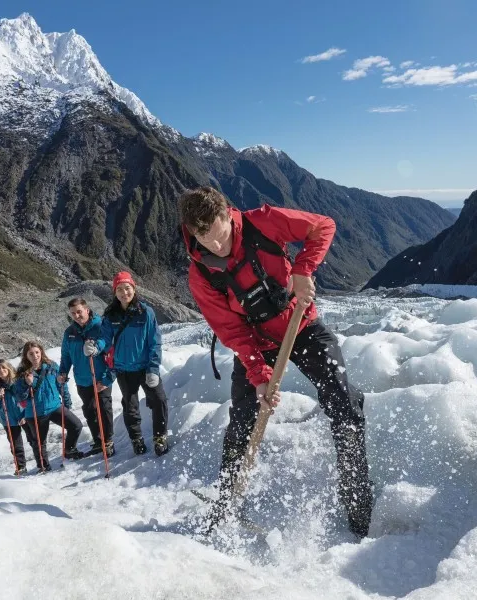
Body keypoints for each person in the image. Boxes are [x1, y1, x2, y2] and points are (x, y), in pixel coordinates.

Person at [178, 186, 373, 538]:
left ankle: (358, 501)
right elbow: (232, 330)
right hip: (256, 341)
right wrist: (259, 374)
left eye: (222, 238)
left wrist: (303, 268)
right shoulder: (201, 275)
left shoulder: (263, 223)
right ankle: (227, 503)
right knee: (241, 421)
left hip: (301, 324)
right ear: (193, 232)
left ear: (228, 215)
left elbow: (322, 226)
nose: (218, 248)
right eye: (207, 242)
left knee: (344, 400)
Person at [101, 272, 170, 456]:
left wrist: (153, 369)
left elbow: (154, 341)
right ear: (115, 292)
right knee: (130, 407)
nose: (124, 293)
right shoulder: (110, 315)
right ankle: (136, 439)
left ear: (134, 288)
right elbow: (105, 339)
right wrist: (96, 346)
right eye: (120, 289)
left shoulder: (146, 312)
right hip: (124, 369)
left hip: (146, 367)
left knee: (159, 400)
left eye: (127, 288)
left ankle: (160, 437)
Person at [58, 297, 116, 457]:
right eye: (73, 313)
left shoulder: (100, 326)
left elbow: (112, 352)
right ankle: (98, 441)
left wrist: (108, 378)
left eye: (79, 311)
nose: (76, 315)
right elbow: (66, 355)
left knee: (103, 409)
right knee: (90, 411)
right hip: (82, 379)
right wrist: (63, 372)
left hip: (100, 377)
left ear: (87, 310)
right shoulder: (70, 332)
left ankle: (108, 441)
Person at [15, 341, 84, 471]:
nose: (35, 356)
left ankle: (69, 450)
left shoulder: (52, 366)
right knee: (40, 442)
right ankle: (43, 466)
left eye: (37, 352)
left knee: (76, 425)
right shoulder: (22, 373)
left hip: (54, 406)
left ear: (41, 352)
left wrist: (67, 402)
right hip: (36, 411)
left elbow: (61, 385)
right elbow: (20, 397)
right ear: (26, 356)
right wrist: (27, 383)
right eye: (31, 354)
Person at [0, 359, 36, 476]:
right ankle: (21, 467)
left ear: (8, 368)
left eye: (3, 367)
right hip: (8, 418)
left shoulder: (18, 381)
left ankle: (41, 462)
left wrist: (25, 415)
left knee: (33, 439)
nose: (1, 370)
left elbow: (28, 397)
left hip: (24, 414)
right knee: (15, 444)